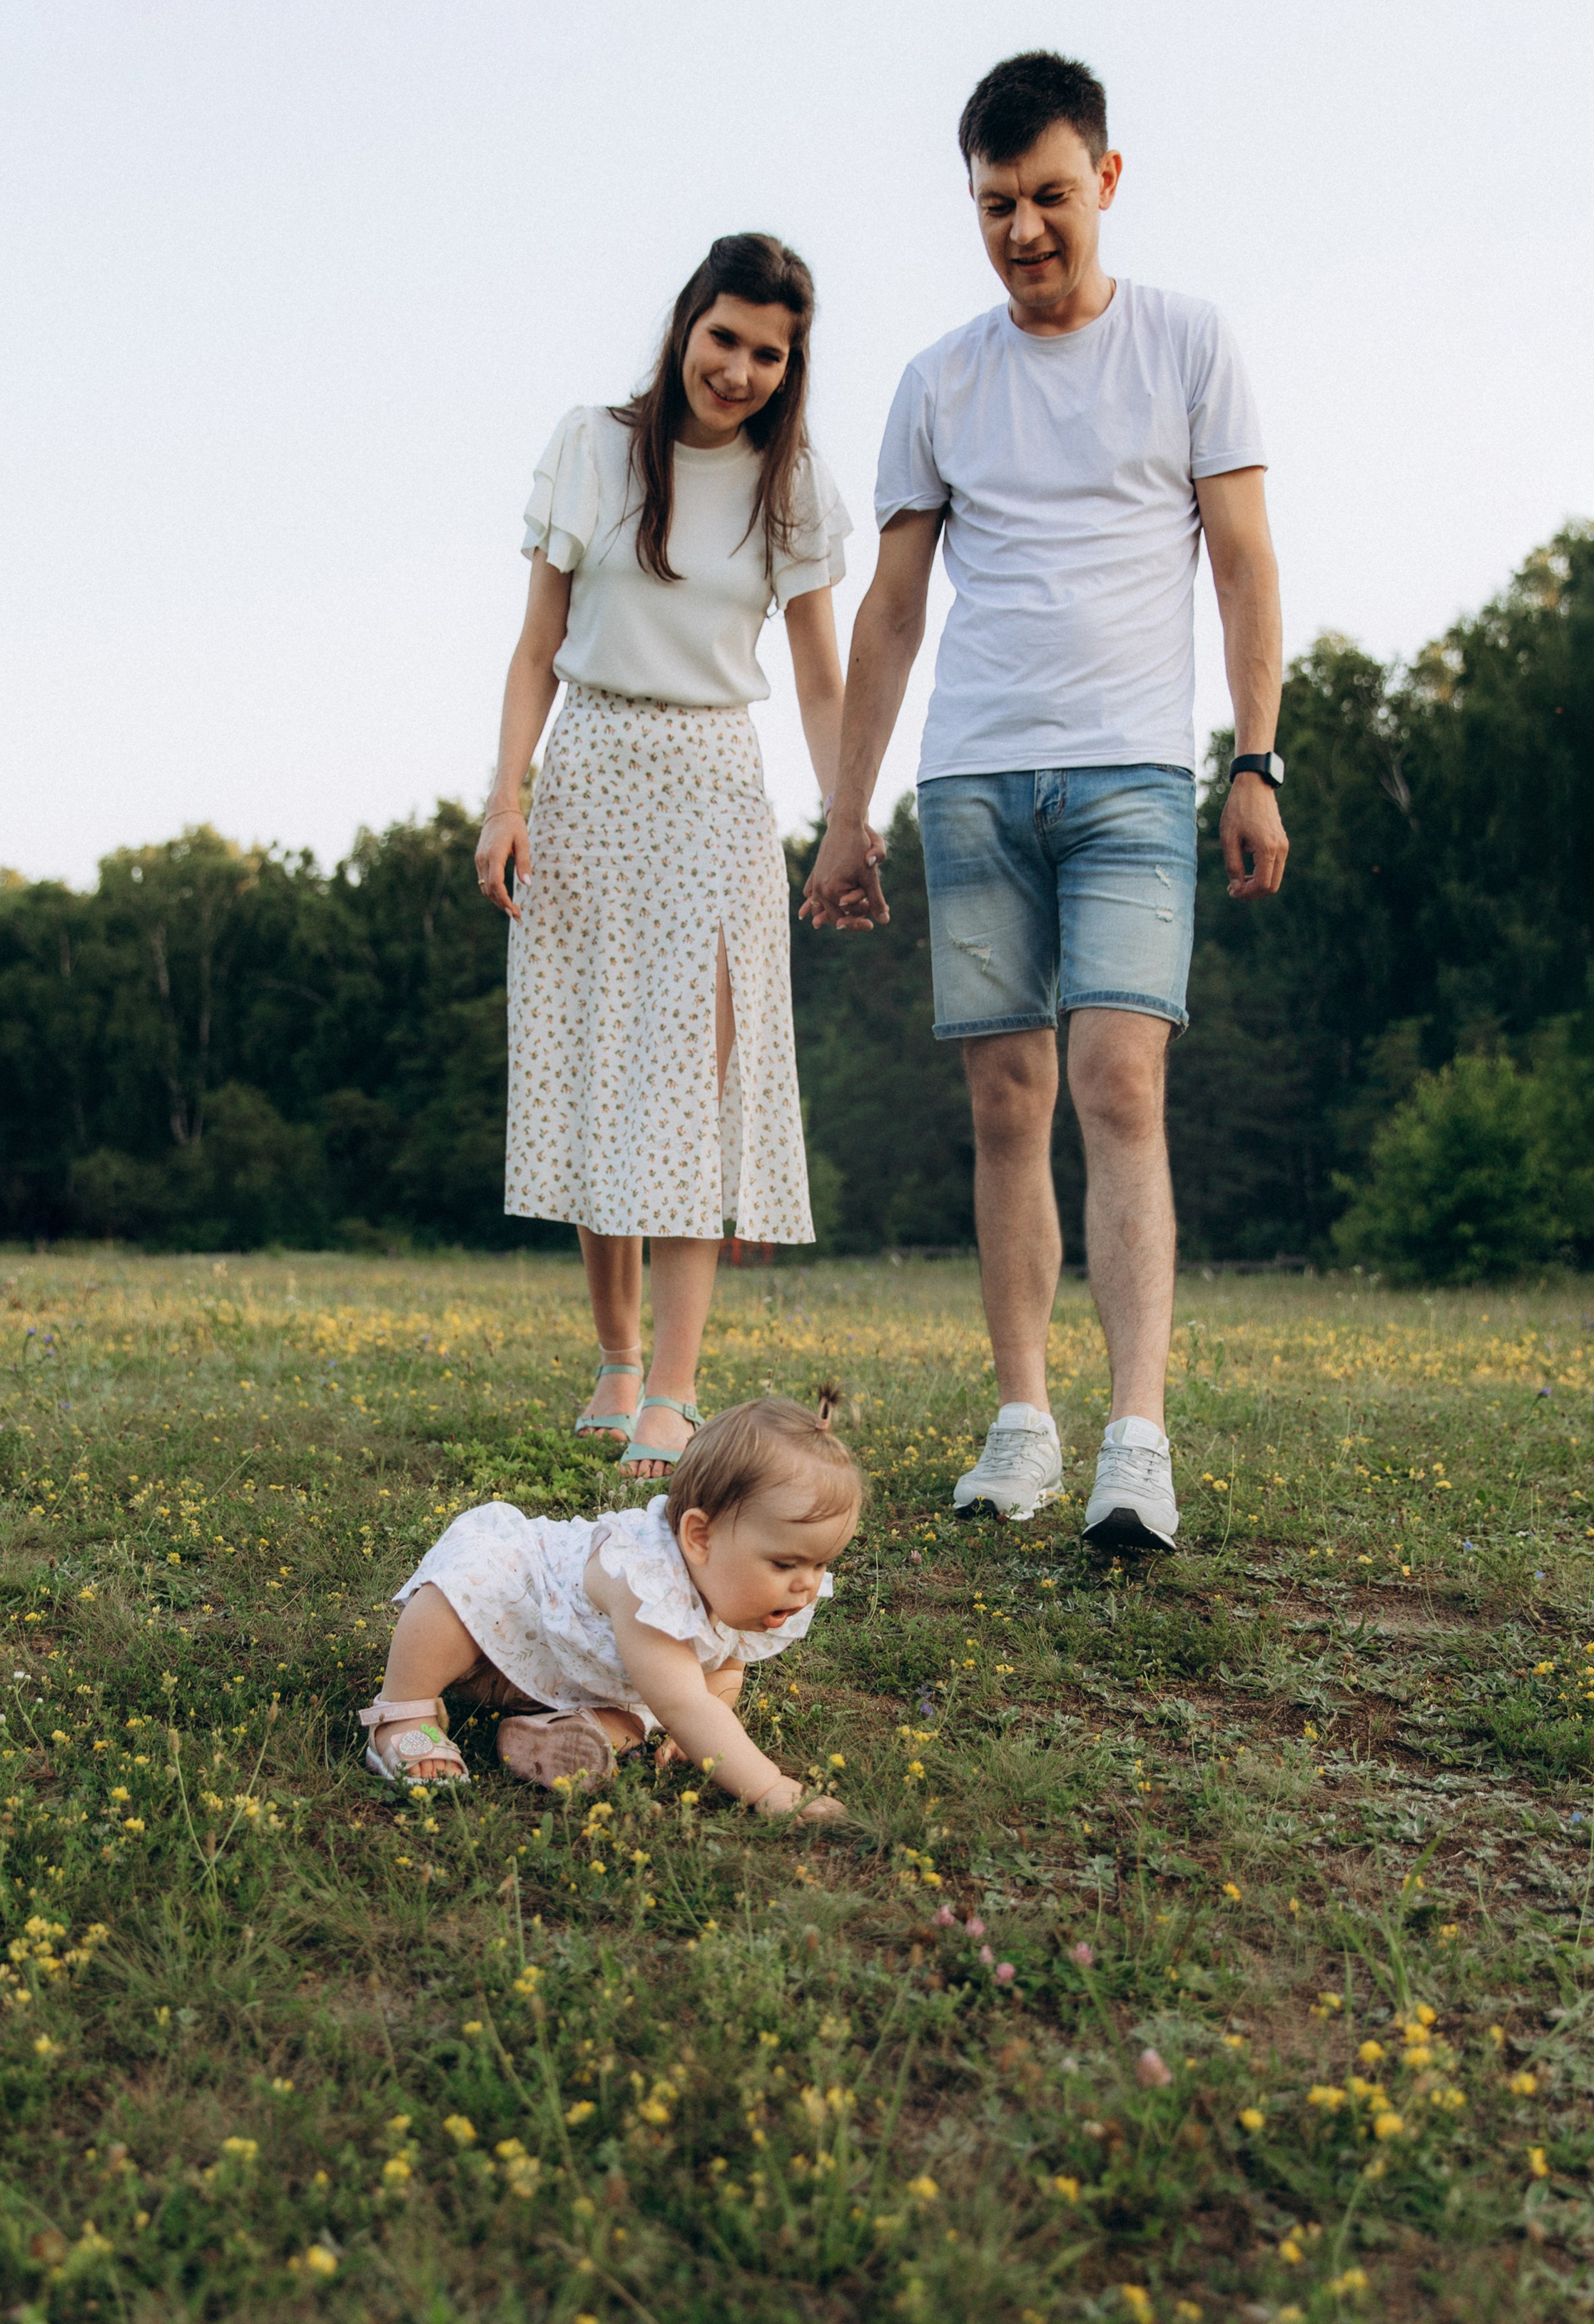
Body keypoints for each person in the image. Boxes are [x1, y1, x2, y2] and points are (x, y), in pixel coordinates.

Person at [801, 51, 1288, 1553]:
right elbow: (887, 615)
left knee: (1120, 1087)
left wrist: (1256, 760)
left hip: (1138, 769)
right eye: (997, 204)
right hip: (973, 777)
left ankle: (1134, 1440)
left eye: (1050, 197)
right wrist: (846, 812)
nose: (1024, 229)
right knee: (1006, 1102)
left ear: (1108, 184)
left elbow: (1245, 565)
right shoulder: (939, 380)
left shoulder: (1193, 344)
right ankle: (1023, 1418)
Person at [477, 235, 870, 1479]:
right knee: (601, 1064)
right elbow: (537, 644)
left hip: (714, 786)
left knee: (688, 1092)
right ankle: (614, 1357)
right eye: (725, 337)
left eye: (769, 351)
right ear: (686, 323)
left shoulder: (790, 482)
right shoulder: (591, 445)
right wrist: (506, 798)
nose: (740, 368)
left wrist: (847, 811)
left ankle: (678, 1388)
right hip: (589, 769)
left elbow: (817, 670)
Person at [357, 1391, 859, 1823]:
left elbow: (725, 1664)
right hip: (508, 1628)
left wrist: (710, 1721)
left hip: (573, 1675)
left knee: (642, 1718)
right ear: (700, 1538)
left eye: (820, 1565)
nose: (806, 1587)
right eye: (786, 1564)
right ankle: (403, 1713)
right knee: (461, 1595)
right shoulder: (645, 1580)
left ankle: (558, 1737)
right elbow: (686, 1703)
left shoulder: (737, 1586)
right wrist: (767, 1786)